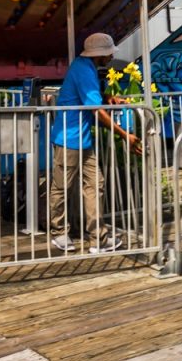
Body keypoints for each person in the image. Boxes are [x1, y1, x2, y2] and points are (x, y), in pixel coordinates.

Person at [49, 32, 141, 254]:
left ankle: (98, 239)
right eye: (108, 53)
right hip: (69, 139)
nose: (110, 56)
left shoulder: (85, 67)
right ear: (100, 54)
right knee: (62, 188)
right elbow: (97, 110)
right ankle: (59, 232)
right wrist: (124, 134)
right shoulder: (83, 69)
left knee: (95, 185)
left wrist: (107, 96)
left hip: (81, 138)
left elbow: (92, 97)